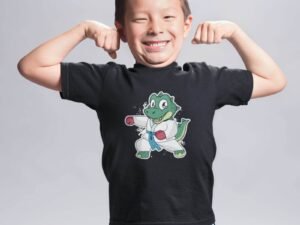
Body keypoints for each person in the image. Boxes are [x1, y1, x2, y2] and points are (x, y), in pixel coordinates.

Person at [17, 0, 287, 224]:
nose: (156, 29)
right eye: (140, 19)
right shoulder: (107, 82)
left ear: (186, 26)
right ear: (121, 31)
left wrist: (234, 33)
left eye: (168, 16)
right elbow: (32, 67)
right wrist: (83, 29)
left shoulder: (206, 80)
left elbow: (273, 79)